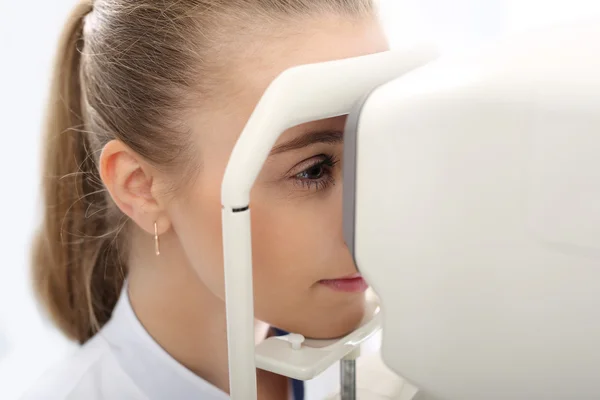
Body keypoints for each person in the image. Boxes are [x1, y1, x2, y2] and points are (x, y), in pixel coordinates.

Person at [25, 0, 389, 398]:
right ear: (141, 187)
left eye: (373, 147)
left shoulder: (384, 368)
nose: (373, 220)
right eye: (313, 170)